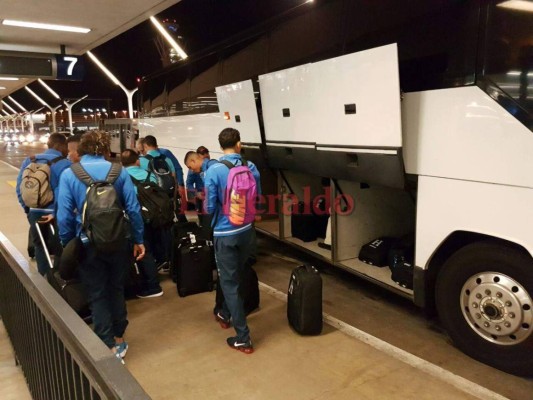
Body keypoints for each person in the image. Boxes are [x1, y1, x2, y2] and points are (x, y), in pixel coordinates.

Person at [56, 131, 146, 363]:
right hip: (118, 241)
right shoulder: (120, 172)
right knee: (116, 288)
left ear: (82, 149)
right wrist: (138, 240)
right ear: (106, 149)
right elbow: (134, 209)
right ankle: (119, 338)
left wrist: (69, 245)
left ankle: (107, 346)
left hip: (87, 244)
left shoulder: (69, 174)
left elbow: (64, 216)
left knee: (97, 293)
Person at [203, 128, 261, 354]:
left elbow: (209, 206)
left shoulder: (214, 170)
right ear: (239, 144)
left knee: (229, 283)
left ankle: (243, 337)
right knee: (238, 274)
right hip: (247, 231)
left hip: (225, 234)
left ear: (220, 145)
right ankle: (226, 313)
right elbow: (257, 196)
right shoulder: (251, 167)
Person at [16, 133, 71, 275]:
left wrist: (27, 208)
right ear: (60, 145)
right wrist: (56, 213)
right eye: (66, 146)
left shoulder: (30, 161)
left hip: (35, 211)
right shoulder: (64, 164)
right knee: (60, 245)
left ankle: (44, 278)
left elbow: (20, 187)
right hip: (55, 212)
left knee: (40, 245)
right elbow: (62, 192)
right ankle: (59, 279)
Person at [120, 149, 164, 298]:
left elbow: (128, 203)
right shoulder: (149, 174)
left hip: (137, 218)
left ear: (121, 163)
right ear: (137, 161)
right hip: (154, 216)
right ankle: (154, 276)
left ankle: (153, 287)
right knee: (151, 246)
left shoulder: (123, 176)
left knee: (143, 251)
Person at [139, 135, 176, 272]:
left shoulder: (142, 161)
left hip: (153, 203)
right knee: (167, 230)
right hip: (167, 200)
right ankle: (169, 259)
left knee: (153, 232)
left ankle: (159, 259)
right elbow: (173, 179)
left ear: (146, 146)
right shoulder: (166, 159)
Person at [185, 146, 211, 225]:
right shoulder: (193, 170)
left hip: (210, 196)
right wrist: (196, 194)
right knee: (203, 219)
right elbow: (189, 183)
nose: (206, 160)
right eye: (204, 157)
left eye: (207, 157)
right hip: (200, 197)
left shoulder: (210, 166)